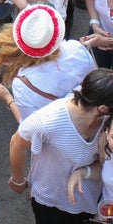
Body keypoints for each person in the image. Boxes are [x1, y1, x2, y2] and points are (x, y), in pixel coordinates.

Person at [9, 68, 113, 222]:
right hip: (52, 202)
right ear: (102, 108)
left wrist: (84, 172)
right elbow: (16, 142)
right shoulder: (47, 121)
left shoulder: (107, 121)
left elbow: (104, 163)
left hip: (91, 199)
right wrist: (18, 180)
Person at [0, 5, 94, 123]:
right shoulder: (76, 48)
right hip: (88, 117)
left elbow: (28, 128)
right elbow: (92, 80)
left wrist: (8, 98)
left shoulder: (22, 85)